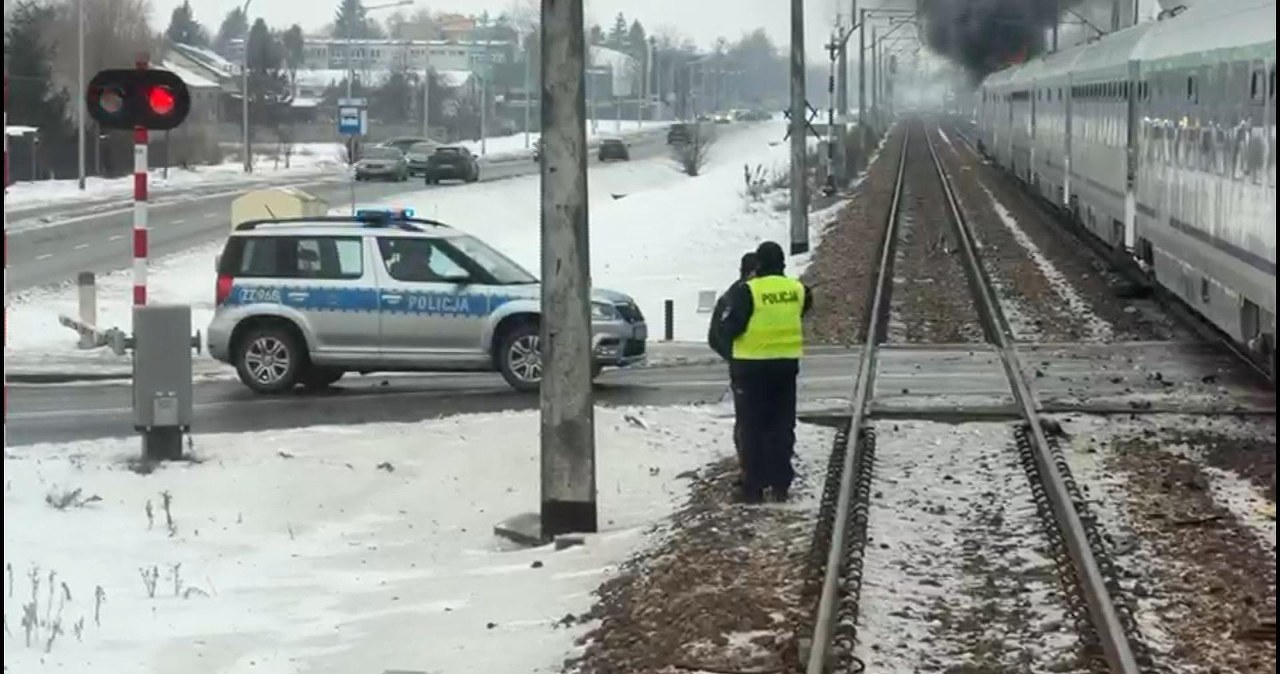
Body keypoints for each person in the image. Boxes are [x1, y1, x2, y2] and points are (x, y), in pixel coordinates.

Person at [717, 241, 812, 504]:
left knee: (752, 427)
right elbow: (802, 310)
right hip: (785, 366)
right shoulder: (797, 289)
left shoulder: (748, 291)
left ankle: (753, 487)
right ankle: (781, 484)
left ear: (758, 265)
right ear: (782, 264)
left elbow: (729, 327)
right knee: (781, 425)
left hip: (750, 367)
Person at [707, 252, 758, 480]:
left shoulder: (733, 295)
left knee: (748, 420)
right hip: (748, 369)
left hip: (746, 369)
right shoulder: (735, 297)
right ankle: (749, 469)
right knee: (750, 421)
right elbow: (716, 336)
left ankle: (751, 468)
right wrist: (736, 356)